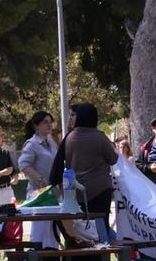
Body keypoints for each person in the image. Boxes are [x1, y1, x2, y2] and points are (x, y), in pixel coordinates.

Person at [48, 103, 118, 242]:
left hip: (76, 192)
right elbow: (113, 159)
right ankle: (101, 254)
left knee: (78, 230)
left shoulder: (69, 138)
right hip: (99, 191)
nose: (71, 118)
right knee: (100, 230)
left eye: (73, 115)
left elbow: (60, 163)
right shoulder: (100, 137)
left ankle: (77, 253)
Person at [19, 113, 58, 247]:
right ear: (36, 125)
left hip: (54, 194)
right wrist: (38, 178)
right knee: (40, 232)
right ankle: (36, 259)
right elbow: (23, 165)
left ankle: (53, 258)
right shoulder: (32, 144)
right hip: (39, 194)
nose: (49, 125)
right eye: (45, 122)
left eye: (50, 122)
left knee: (53, 232)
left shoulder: (52, 143)